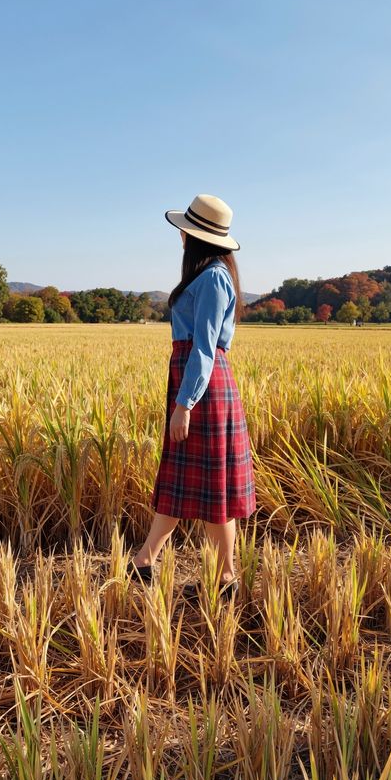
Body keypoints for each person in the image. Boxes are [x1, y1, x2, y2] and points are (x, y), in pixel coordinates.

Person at [128, 193, 257, 600]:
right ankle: (144, 561)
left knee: (213, 487)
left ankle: (226, 577)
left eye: (186, 231)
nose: (181, 237)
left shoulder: (214, 277)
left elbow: (204, 347)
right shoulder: (207, 275)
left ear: (196, 237)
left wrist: (185, 404)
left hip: (202, 389)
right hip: (193, 383)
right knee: (184, 479)